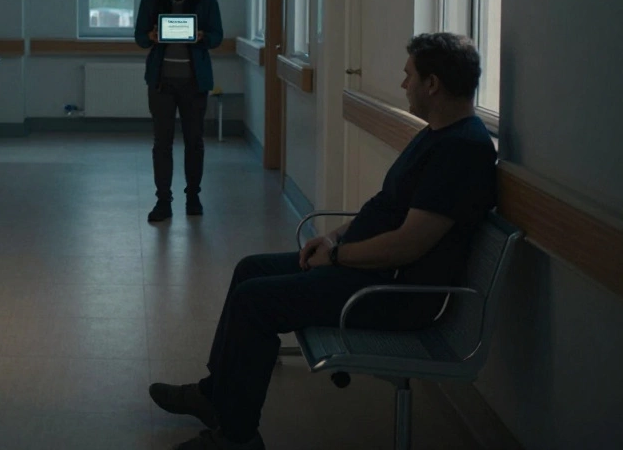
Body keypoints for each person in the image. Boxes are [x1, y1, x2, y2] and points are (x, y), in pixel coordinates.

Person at [148, 33, 498, 450]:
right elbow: (385, 206)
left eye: (408, 76)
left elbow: (409, 245)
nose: (403, 85)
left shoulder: (460, 152)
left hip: (391, 291)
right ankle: (214, 396)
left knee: (255, 301)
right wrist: (332, 237)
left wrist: (337, 255)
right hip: (366, 270)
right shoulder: (438, 135)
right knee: (250, 269)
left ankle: (237, 437)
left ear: (432, 84)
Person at [134, 0, 224, 222]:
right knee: (162, 143)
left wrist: (201, 37)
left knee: (194, 142)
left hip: (195, 83)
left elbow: (218, 35)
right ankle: (163, 201)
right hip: (161, 82)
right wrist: (150, 35)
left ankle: (193, 196)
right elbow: (139, 37)